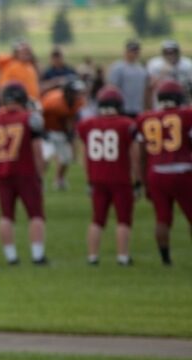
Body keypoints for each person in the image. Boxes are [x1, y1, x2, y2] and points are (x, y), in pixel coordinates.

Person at [0, 82, 46, 265]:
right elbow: (37, 150)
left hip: (2, 173)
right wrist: (40, 174)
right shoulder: (29, 118)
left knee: (6, 216)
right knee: (36, 214)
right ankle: (38, 255)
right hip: (26, 171)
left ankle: (11, 257)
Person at [75, 87, 139, 266]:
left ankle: (92, 256)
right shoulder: (126, 124)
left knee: (97, 219)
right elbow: (134, 155)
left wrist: (88, 178)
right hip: (120, 178)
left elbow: (84, 155)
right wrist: (138, 179)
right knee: (123, 219)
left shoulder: (88, 124)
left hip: (97, 178)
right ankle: (123, 257)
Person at [135, 80, 192, 266]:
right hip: (183, 170)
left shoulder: (145, 118)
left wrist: (143, 180)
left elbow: (142, 154)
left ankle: (165, 259)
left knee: (162, 218)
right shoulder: (187, 115)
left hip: (156, 172)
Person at [39, 79, 85, 190]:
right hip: (48, 131)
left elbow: (72, 117)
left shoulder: (78, 102)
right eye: (75, 92)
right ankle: (38, 181)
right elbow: (38, 115)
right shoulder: (52, 101)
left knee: (66, 158)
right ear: (68, 92)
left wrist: (71, 132)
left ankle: (59, 180)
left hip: (62, 132)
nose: (78, 95)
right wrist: (41, 131)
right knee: (46, 156)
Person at [108, 40, 148, 117]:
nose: (134, 53)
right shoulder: (118, 67)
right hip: (122, 108)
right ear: (126, 51)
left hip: (138, 108)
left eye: (136, 51)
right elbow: (112, 87)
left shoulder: (141, 69)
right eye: (132, 51)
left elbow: (145, 89)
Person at [146, 40, 192, 105]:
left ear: (177, 52)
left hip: (181, 99)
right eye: (167, 52)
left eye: (173, 52)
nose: (170, 55)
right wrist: (163, 73)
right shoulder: (155, 64)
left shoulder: (187, 64)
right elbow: (150, 85)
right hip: (162, 100)